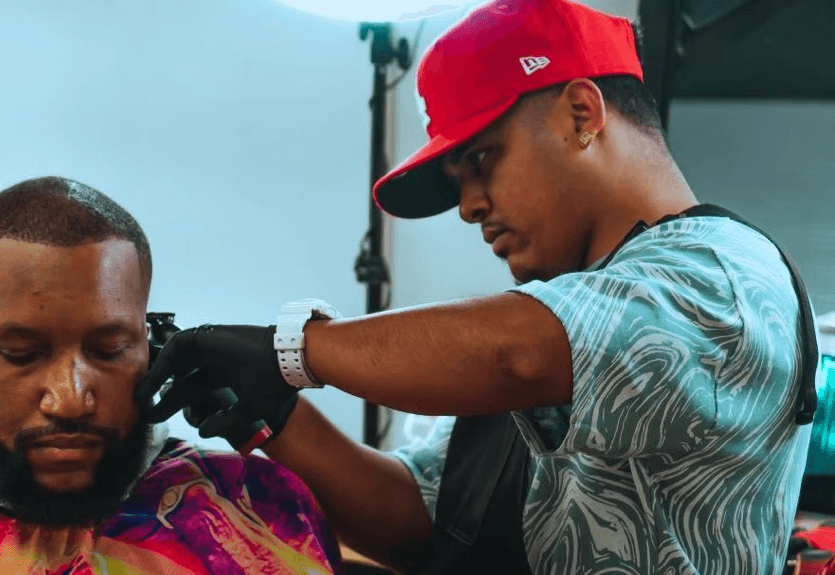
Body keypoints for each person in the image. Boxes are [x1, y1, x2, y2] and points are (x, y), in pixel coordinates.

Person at [137, 0, 818, 573]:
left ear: (582, 113)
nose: (467, 207)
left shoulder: (723, 278)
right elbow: (421, 518)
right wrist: (274, 416)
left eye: (482, 161)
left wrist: (294, 349)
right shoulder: (555, 316)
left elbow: (513, 351)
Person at [0, 176, 343, 574]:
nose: (71, 400)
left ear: (153, 351)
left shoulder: (259, 504)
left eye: (108, 351)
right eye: (20, 354)